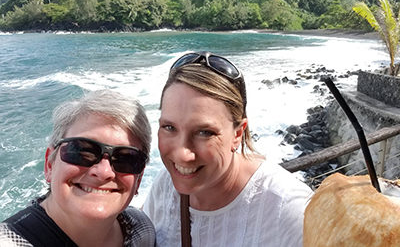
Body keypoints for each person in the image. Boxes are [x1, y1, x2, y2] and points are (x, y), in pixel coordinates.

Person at [142, 51, 313, 247]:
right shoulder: (165, 185)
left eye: (204, 132)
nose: (182, 154)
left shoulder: (289, 209)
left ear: (238, 134)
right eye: (169, 128)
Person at [0, 89, 156, 247]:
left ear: (139, 179)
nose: (104, 172)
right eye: (83, 151)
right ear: (49, 164)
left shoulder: (141, 230)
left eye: (126, 158)